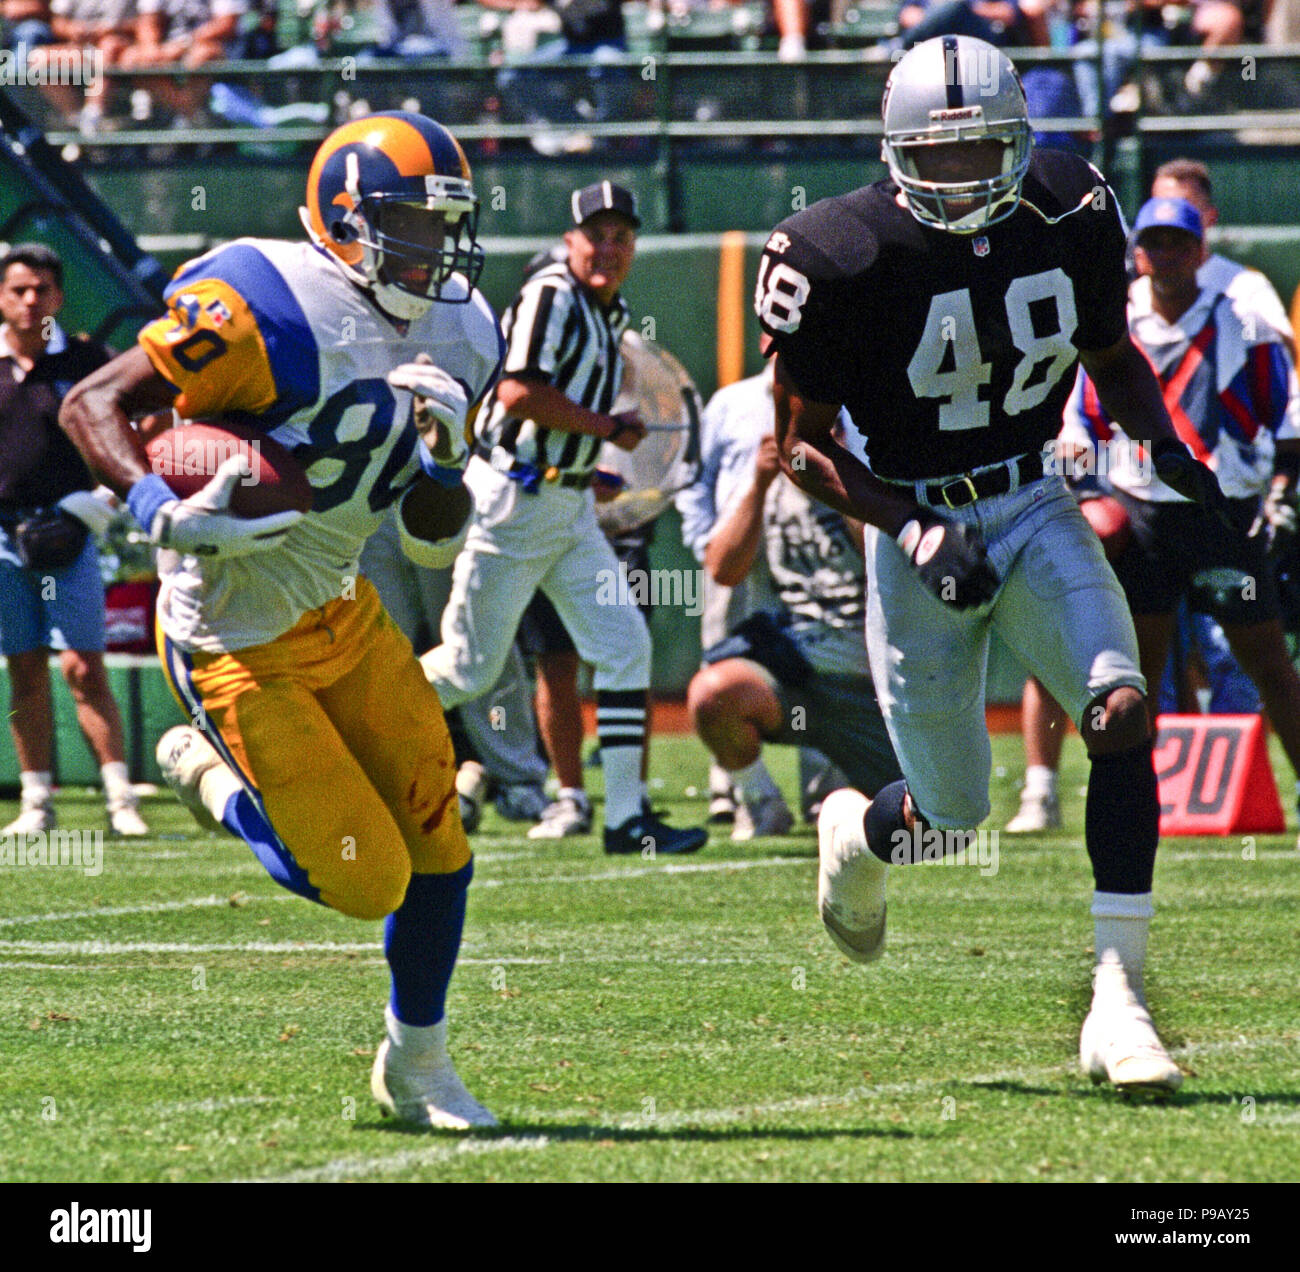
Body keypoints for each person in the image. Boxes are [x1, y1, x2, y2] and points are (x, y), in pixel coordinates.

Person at [756, 35, 1230, 1095]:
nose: (964, 180)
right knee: (951, 817)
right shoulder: (835, 255)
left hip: (1032, 498)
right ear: (894, 155)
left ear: (1020, 145)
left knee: (1119, 709)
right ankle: (857, 834)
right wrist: (911, 529)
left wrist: (1165, 452)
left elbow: (1110, 358)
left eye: (984, 154)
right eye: (941, 157)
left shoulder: (1070, 205)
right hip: (914, 523)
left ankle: (1119, 1001)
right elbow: (798, 447)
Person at [59, 111, 501, 1130]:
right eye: (412, 226)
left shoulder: (467, 326)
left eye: (447, 227)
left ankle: (417, 1066)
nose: (436, 252)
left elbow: (432, 539)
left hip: (343, 607)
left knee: (440, 841)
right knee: (363, 878)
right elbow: (93, 401)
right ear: (346, 220)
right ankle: (212, 782)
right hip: (231, 635)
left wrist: (446, 457)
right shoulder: (264, 303)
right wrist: (154, 507)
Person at [1006, 156, 1300, 833]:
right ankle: (1133, 795)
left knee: (1267, 659)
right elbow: (1080, 409)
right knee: (1135, 667)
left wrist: (1271, 487)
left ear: (1202, 249)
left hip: (1218, 512)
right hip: (1136, 510)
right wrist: (1084, 457)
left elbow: (1281, 416)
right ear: (1134, 249)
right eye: (1152, 241)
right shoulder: (1114, 316)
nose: (1163, 254)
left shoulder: (1243, 316)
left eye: (1177, 241)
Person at [421, 181, 707, 857]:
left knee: (624, 646)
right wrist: (606, 426)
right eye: (596, 235)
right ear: (570, 240)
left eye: (622, 237)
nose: (609, 247)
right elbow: (518, 393)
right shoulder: (552, 293)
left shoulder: (608, 309)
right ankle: (348, 722)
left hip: (566, 503)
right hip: (515, 504)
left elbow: (552, 412)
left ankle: (627, 819)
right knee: (468, 669)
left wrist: (587, 463)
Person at [0, 243, 147, 839]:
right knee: (23, 668)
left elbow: (143, 428)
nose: (31, 300)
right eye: (18, 289)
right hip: (4, 537)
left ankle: (120, 801)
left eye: (41, 289)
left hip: (71, 535)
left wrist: (99, 505)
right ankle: (36, 803)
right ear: (2, 297)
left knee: (83, 668)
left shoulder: (88, 361)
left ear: (58, 297)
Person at [688, 429, 902, 828]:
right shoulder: (770, 480)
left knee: (922, 812)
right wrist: (758, 482)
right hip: (798, 674)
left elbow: (883, 559)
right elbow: (723, 569)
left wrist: (836, 476)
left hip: (871, 682)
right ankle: (760, 803)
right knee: (712, 693)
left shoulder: (865, 463)